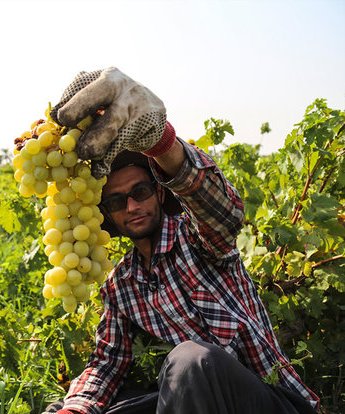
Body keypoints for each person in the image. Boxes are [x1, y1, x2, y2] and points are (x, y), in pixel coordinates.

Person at [43, 68, 319, 414]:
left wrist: (161, 142)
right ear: (107, 216)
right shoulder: (121, 286)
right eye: (116, 202)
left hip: (268, 401)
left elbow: (224, 211)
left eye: (140, 191)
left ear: (160, 193)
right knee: (74, 409)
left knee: (190, 361)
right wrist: (76, 408)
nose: (132, 206)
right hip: (200, 401)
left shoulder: (198, 239)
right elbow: (107, 364)